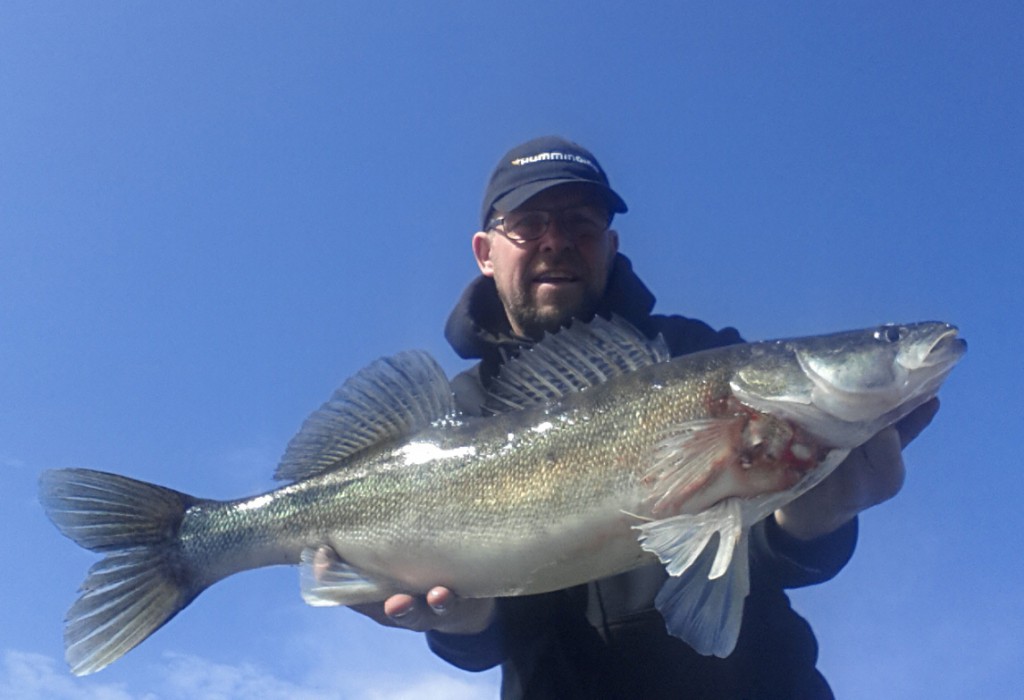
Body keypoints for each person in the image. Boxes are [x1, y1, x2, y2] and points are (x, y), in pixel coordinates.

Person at [352, 136, 939, 699]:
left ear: (609, 245)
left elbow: (762, 554)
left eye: (582, 222)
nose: (556, 241)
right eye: (529, 224)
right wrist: (465, 621)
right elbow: (495, 636)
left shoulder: (699, 355)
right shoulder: (455, 416)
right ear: (486, 251)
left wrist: (814, 520)